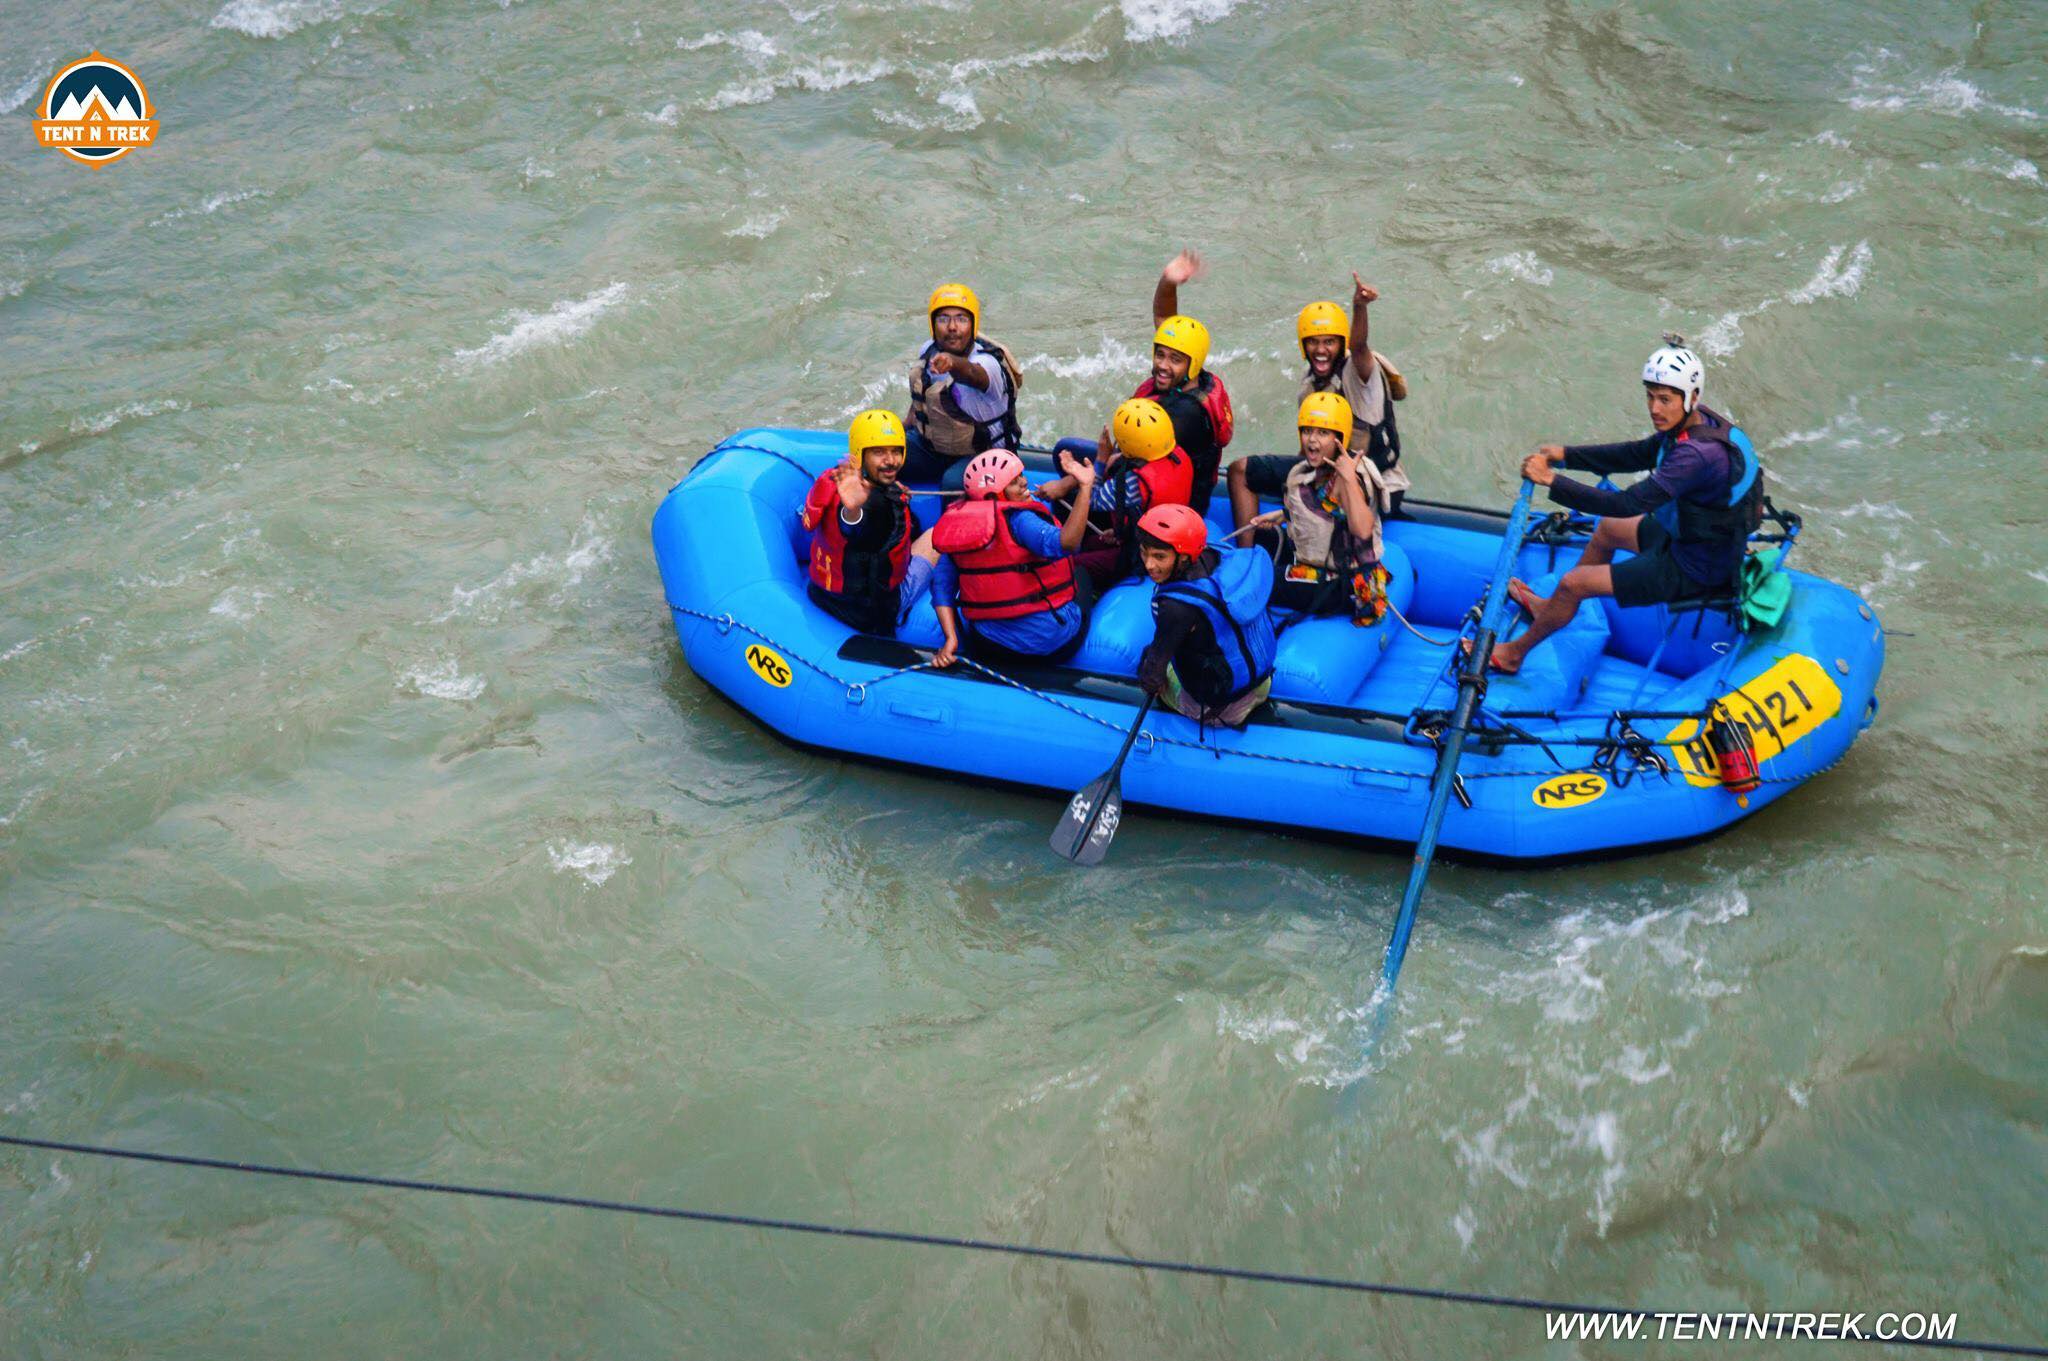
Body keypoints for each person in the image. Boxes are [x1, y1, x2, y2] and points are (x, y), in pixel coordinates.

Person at [1484, 337, 1765, 674]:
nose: (1655, 409)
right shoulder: (1696, 421)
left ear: (1691, 398)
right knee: (1608, 529)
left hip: (1696, 568)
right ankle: (1549, 610)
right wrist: (1567, 456)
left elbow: (1626, 502)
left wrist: (1551, 481)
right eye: (1650, 397)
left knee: (1574, 583)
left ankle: (1514, 654)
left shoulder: (1697, 456)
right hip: (1688, 538)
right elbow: (1637, 453)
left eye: (1665, 399)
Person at [1236, 392, 1393, 626]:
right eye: (1308, 431)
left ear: (1340, 437)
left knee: (1257, 579)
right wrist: (1282, 515)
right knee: (1262, 544)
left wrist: (1349, 479)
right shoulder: (1318, 471)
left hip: (1342, 585)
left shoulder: (1347, 476)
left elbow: (1362, 529)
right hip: (1329, 572)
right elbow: (1328, 514)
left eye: (1323, 433)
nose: (1312, 440)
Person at [928, 447, 1095, 667]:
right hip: (1052, 646)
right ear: (996, 494)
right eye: (1015, 482)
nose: (1024, 483)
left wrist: (951, 639)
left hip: (990, 647)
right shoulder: (1021, 521)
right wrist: (1084, 488)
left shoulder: (959, 529)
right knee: (1081, 574)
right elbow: (1068, 543)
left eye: (1021, 476)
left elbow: (941, 587)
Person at [1134, 503, 1277, 731]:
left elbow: (1153, 678)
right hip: (1261, 683)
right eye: (1144, 552)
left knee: (1145, 661)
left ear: (1182, 556)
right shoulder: (1215, 553)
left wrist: (1148, 673)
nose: (1149, 564)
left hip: (1224, 708)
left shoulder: (1176, 607)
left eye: (1160, 556)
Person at [1033, 397, 1196, 591]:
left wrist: (1101, 459)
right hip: (1156, 534)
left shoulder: (1133, 482)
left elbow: (1091, 501)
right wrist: (1121, 531)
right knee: (1092, 543)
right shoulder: (1178, 455)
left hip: (1140, 553)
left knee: (1074, 564)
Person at [800, 409, 937, 636]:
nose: (891, 461)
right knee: (934, 536)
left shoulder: (835, 479)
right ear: (860, 454)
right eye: (879, 452)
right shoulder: (864, 504)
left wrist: (892, 492)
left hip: (823, 594)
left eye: (896, 451)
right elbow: (858, 529)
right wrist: (853, 510)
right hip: (867, 612)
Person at [1134, 250, 1235, 513]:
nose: (1163, 366)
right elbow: (1165, 323)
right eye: (1160, 355)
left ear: (1191, 363)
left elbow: (1131, 460)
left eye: (1174, 360)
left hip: (1175, 510)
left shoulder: (1186, 414)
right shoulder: (1190, 376)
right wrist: (1169, 281)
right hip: (1158, 490)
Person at [903, 282, 1023, 483]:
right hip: (937, 449)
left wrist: (952, 363)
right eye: (943, 319)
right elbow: (922, 399)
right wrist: (898, 431)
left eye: (961, 319)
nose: (952, 327)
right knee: (879, 453)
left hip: (985, 455)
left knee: (952, 482)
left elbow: (972, 373)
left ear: (973, 324)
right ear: (933, 325)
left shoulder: (987, 364)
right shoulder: (930, 351)